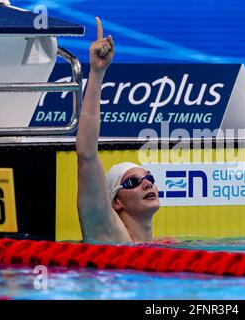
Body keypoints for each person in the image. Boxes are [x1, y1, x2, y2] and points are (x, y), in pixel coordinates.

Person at [76, 17, 160, 243]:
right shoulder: (108, 235)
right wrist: (96, 73)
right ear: (116, 202)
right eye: (132, 182)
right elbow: (86, 153)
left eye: (148, 177)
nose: (147, 183)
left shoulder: (162, 245)